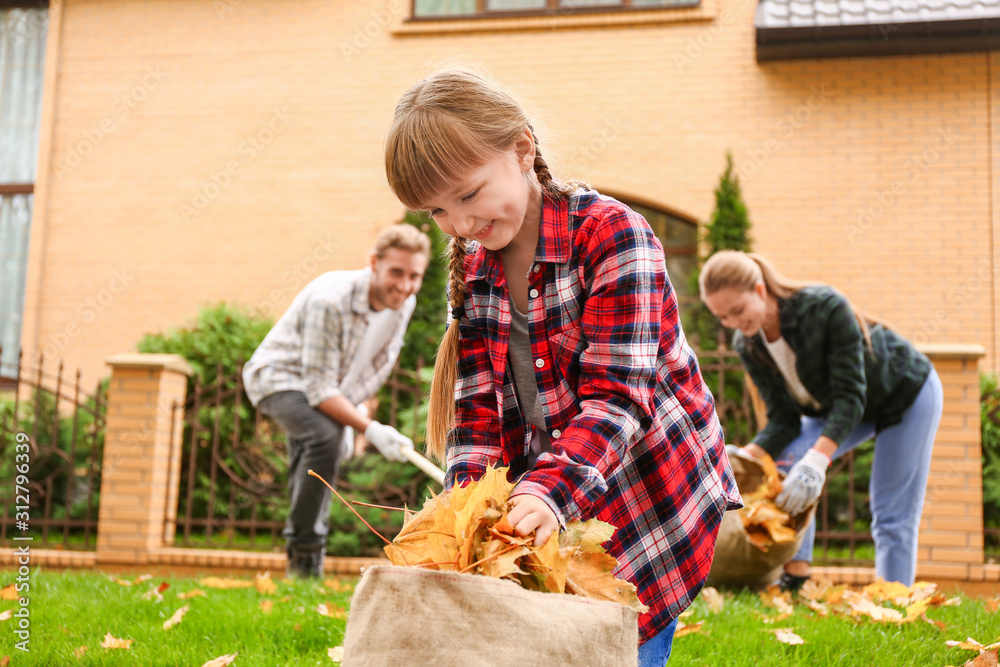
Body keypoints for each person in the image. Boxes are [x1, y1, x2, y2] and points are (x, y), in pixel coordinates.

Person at [383, 68, 741, 666]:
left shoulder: (611, 234)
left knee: (621, 648)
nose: (462, 226)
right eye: (437, 212)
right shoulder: (475, 272)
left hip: (642, 495)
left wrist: (550, 494)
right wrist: (466, 516)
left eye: (469, 195)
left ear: (522, 149)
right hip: (546, 501)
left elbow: (618, 399)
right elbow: (475, 419)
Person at [699, 250, 943, 589]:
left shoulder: (824, 308)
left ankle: (894, 597)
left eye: (737, 311)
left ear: (759, 290)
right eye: (722, 317)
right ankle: (796, 576)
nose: (732, 323)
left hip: (905, 394)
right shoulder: (749, 344)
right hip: (844, 408)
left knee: (891, 512)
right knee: (786, 464)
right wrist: (745, 456)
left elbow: (850, 397)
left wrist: (818, 459)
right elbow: (784, 419)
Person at [242, 224, 430, 578]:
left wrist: (355, 412)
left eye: (414, 276)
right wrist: (368, 428)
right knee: (325, 438)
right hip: (278, 379)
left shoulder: (404, 304)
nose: (404, 286)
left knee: (314, 456)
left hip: (329, 391)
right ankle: (307, 559)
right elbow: (317, 387)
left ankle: (298, 568)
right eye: (396, 272)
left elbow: (372, 368)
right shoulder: (331, 300)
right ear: (374, 263)